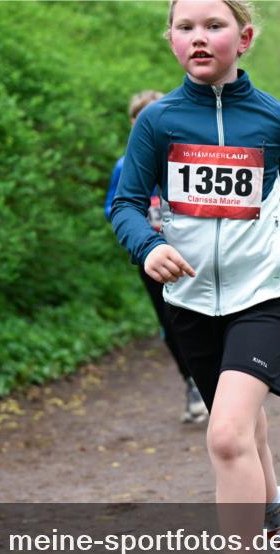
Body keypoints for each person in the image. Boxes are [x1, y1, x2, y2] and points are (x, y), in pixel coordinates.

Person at [109, 0, 280, 554]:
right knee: (251, 435)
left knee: (227, 434)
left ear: (246, 37)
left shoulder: (277, 119)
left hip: (265, 296)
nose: (198, 37)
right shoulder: (157, 121)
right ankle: (279, 518)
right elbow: (123, 201)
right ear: (171, 39)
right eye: (185, 26)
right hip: (191, 302)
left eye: (214, 25)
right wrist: (147, 245)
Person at [105, 90, 207, 423]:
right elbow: (114, 207)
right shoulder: (125, 166)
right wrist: (142, 229)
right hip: (151, 258)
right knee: (170, 324)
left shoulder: (186, 158)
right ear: (134, 123)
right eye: (141, 117)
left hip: (192, 255)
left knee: (202, 319)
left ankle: (217, 383)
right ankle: (191, 382)